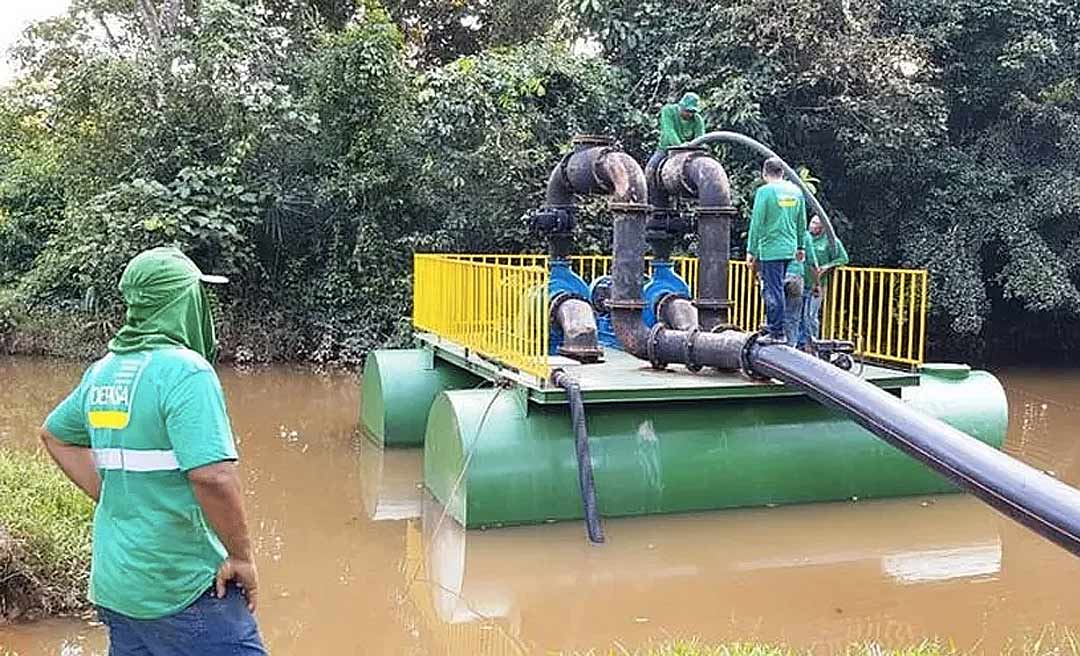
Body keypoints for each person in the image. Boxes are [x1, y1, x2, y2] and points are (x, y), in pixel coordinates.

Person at [39, 247, 267, 656]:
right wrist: (242, 557)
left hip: (118, 586)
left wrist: (118, 497)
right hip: (180, 584)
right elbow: (213, 476)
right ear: (183, 302)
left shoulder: (103, 371)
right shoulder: (187, 371)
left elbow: (56, 436)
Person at [747, 156, 807, 345]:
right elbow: (801, 221)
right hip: (789, 249)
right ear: (782, 172)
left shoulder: (765, 192)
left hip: (771, 249)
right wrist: (800, 246)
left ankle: (776, 331)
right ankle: (775, 327)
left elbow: (757, 222)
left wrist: (751, 250)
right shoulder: (796, 191)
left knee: (773, 291)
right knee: (778, 288)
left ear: (764, 174)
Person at [645, 92, 707, 182]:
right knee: (650, 169)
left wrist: (693, 149)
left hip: (690, 152)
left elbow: (700, 139)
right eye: (688, 111)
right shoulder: (668, 111)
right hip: (666, 149)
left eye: (693, 112)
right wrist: (680, 146)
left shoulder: (698, 120)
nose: (690, 114)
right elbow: (669, 131)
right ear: (681, 106)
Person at [807, 214, 850, 342]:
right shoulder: (806, 237)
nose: (812, 226)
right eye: (812, 222)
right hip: (802, 281)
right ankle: (801, 343)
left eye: (816, 224)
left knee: (811, 315)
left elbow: (843, 258)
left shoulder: (831, 241)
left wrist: (827, 266)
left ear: (823, 227)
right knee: (799, 315)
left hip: (818, 283)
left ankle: (813, 342)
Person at [784, 229, 819, 349]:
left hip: (775, 276)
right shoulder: (804, 234)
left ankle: (773, 345)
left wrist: (757, 277)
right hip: (795, 276)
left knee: (774, 312)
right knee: (793, 316)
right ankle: (790, 347)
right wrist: (817, 284)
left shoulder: (776, 230)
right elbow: (813, 264)